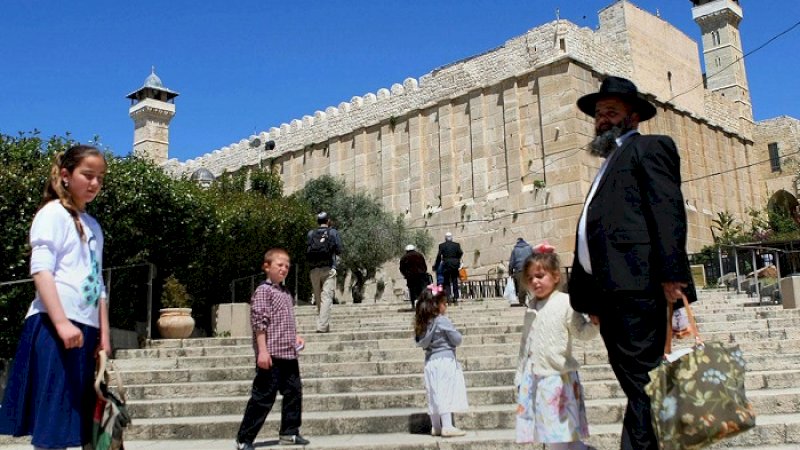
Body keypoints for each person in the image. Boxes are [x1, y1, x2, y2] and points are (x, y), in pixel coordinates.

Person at [568, 76, 696, 450]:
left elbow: (667, 210)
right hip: (609, 295)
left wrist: (673, 276)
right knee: (640, 383)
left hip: (638, 287)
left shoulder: (650, 148)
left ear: (634, 116)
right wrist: (590, 299)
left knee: (644, 382)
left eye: (611, 112)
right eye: (598, 114)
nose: (602, 120)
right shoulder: (608, 162)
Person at [0, 145, 111, 449]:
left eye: (100, 177)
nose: (94, 183)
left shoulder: (94, 226)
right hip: (53, 326)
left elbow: (97, 283)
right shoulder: (52, 214)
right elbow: (41, 271)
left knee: (77, 423)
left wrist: (103, 334)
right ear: (65, 175)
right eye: (87, 175)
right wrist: (61, 323)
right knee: (53, 423)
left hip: (85, 329)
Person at [514, 244, 598, 449]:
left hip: (559, 379)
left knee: (561, 433)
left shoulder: (566, 303)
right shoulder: (531, 308)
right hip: (536, 378)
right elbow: (526, 344)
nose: (535, 281)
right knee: (553, 434)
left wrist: (595, 323)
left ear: (555, 276)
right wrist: (519, 374)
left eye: (540, 276)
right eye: (531, 277)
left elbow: (581, 332)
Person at [235, 248, 309, 449]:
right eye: (280, 265)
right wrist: (263, 351)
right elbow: (260, 323)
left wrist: (295, 337)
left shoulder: (285, 293)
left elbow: (285, 321)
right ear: (267, 267)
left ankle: (289, 432)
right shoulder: (263, 291)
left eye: (287, 266)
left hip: (289, 354)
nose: (284, 269)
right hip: (271, 354)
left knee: (294, 393)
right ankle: (245, 438)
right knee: (262, 398)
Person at [414, 284, 469, 438]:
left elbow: (421, 342)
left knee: (434, 393)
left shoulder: (423, 323)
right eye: (444, 303)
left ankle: (436, 426)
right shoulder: (442, 320)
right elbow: (457, 340)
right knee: (445, 392)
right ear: (436, 305)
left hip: (431, 362)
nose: (446, 306)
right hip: (445, 361)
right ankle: (447, 426)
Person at [306, 211, 342, 333]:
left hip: (314, 270)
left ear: (318, 222)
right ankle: (322, 326)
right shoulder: (332, 232)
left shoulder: (311, 233)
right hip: (328, 269)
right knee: (326, 298)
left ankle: (324, 325)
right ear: (328, 221)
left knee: (318, 298)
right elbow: (339, 249)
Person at [433, 232, 463, 303]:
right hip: (455, 265)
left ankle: (448, 296)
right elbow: (460, 253)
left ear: (445, 238)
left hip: (446, 264)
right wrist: (456, 259)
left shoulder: (442, 245)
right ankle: (455, 297)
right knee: (454, 280)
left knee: (446, 281)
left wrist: (436, 265)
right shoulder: (456, 245)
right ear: (452, 238)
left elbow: (439, 256)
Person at [400, 244, 430, 308]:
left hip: (410, 276)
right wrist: (423, 272)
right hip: (421, 275)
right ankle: (423, 303)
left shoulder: (404, 257)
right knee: (421, 289)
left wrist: (405, 274)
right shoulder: (419, 255)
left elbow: (402, 268)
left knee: (412, 290)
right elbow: (424, 266)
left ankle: (414, 304)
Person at [508, 237, 534, 306]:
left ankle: (522, 302)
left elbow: (511, 262)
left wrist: (510, 272)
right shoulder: (529, 247)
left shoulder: (515, 250)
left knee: (521, 287)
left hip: (520, 270)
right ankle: (533, 300)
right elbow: (534, 257)